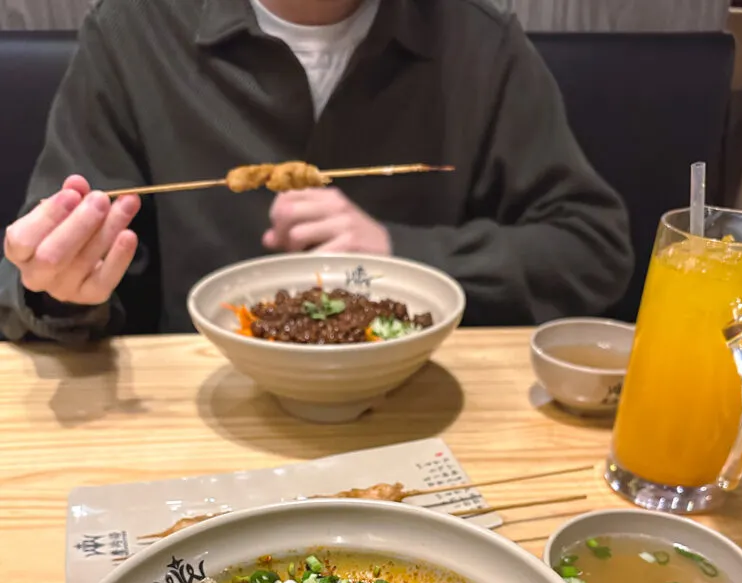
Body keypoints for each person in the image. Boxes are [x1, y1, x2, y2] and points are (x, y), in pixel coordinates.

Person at [0, 0, 633, 345]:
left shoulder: (479, 43)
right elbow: (37, 275)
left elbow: (593, 248)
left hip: (417, 414)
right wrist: (58, 286)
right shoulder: (133, 32)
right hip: (199, 417)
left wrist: (399, 254)